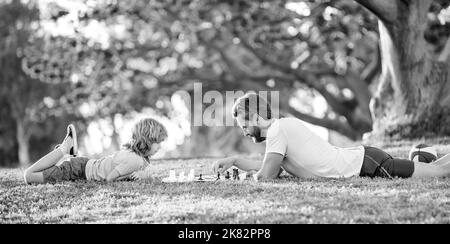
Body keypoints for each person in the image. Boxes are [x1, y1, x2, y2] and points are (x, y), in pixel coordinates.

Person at [213, 93, 450, 181]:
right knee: (438, 168)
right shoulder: (279, 132)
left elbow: (265, 175)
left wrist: (250, 178)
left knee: (439, 173)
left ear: (254, 117)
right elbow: (265, 166)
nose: (243, 129)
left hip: (368, 164)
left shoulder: (277, 130)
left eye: (243, 123)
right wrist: (234, 160)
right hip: (366, 160)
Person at [23, 118, 167, 184]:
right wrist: (131, 177)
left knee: (41, 172)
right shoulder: (134, 160)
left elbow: (149, 175)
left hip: (82, 166)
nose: (159, 147)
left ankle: (65, 148)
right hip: (76, 170)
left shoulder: (139, 159)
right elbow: (109, 179)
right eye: (157, 142)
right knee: (28, 176)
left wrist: (142, 177)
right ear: (146, 141)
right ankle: (65, 147)